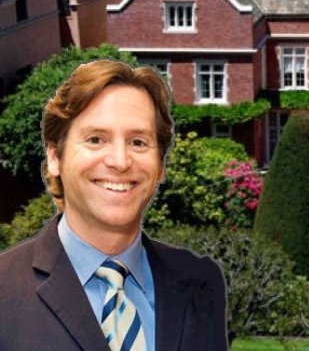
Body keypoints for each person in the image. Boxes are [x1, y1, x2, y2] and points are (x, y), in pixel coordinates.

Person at [0, 60, 228, 351]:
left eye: (138, 142)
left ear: (160, 165)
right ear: (55, 157)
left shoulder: (202, 282)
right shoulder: (5, 292)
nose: (120, 161)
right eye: (96, 139)